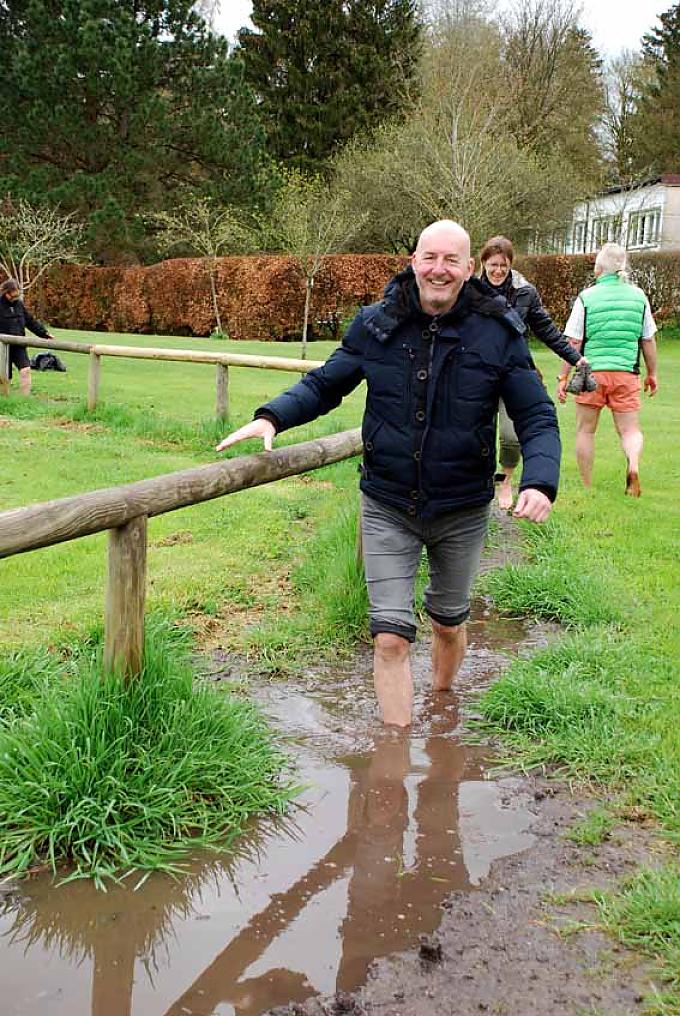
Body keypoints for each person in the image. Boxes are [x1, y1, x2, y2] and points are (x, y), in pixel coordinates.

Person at [216, 220, 560, 727]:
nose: (439, 269)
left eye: (451, 260)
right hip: (387, 503)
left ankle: (441, 702)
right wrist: (271, 416)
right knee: (391, 635)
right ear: (414, 262)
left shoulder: (499, 332)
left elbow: (535, 415)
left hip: (462, 506)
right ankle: (394, 760)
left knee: (447, 622)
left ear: (469, 268)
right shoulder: (376, 324)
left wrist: (539, 481)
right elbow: (324, 385)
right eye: (429, 258)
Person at [478, 235, 587, 510]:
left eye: (503, 265)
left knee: (510, 436)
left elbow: (547, 331)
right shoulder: (470, 291)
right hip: (476, 373)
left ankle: (504, 481)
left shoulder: (525, 292)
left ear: (511, 264)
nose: (498, 270)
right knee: (474, 432)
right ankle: (476, 487)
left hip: (512, 374)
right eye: (493, 264)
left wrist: (576, 359)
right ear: (483, 263)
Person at [557, 242, 658, 497]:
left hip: (590, 373)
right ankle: (633, 466)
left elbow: (574, 342)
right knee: (630, 430)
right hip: (626, 372)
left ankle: (587, 486)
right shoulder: (639, 296)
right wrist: (652, 373)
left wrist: (564, 376)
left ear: (598, 268)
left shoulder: (586, 298)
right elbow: (647, 339)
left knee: (585, 430)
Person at [0, 278, 55, 395]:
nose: (16, 298)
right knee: (5, 377)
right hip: (3, 347)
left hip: (19, 345)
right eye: (13, 296)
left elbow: (30, 321)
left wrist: (44, 333)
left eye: (17, 295)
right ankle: (4, 400)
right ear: (6, 293)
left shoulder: (19, 304)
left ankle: (24, 400)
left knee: (26, 370)